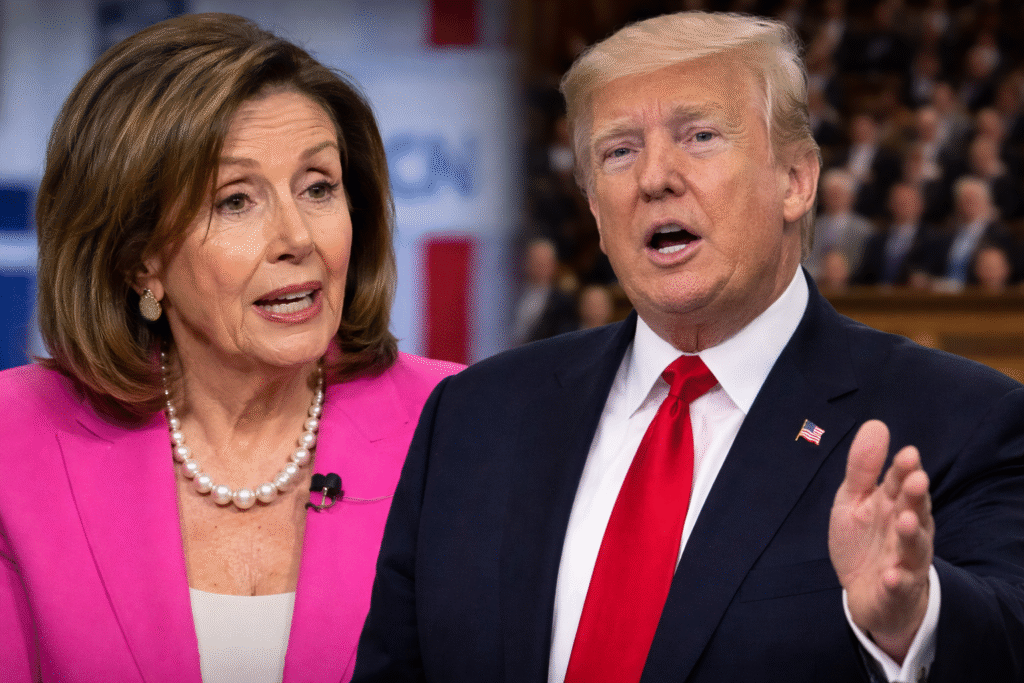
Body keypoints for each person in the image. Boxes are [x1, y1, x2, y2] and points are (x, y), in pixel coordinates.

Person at [353, 11, 1024, 683]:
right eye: (619, 151)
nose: (654, 177)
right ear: (595, 209)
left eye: (699, 136)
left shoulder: (964, 421)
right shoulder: (472, 417)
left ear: (796, 180)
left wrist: (910, 624)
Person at [0, 13, 461, 683]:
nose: (297, 237)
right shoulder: (14, 439)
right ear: (139, 257)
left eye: (319, 188)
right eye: (235, 201)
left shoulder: (461, 423)